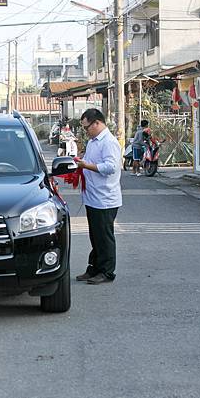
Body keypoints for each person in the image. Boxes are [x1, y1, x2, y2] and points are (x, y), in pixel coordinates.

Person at [75, 108, 122, 284]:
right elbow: (89, 161)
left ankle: (107, 271)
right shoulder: (94, 142)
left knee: (104, 237)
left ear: (97, 123)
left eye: (87, 127)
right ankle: (94, 268)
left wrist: (86, 165)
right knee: (95, 236)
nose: (86, 131)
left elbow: (111, 167)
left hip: (105, 199)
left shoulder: (109, 142)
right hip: (93, 197)